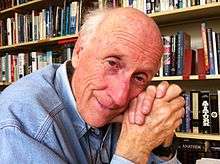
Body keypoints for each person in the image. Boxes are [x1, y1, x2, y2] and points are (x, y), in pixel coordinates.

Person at [0, 7, 185, 164]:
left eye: (139, 77)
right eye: (113, 63)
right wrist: (132, 153)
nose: (120, 97)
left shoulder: (135, 106)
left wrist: (162, 143)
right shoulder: (19, 122)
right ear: (79, 52)